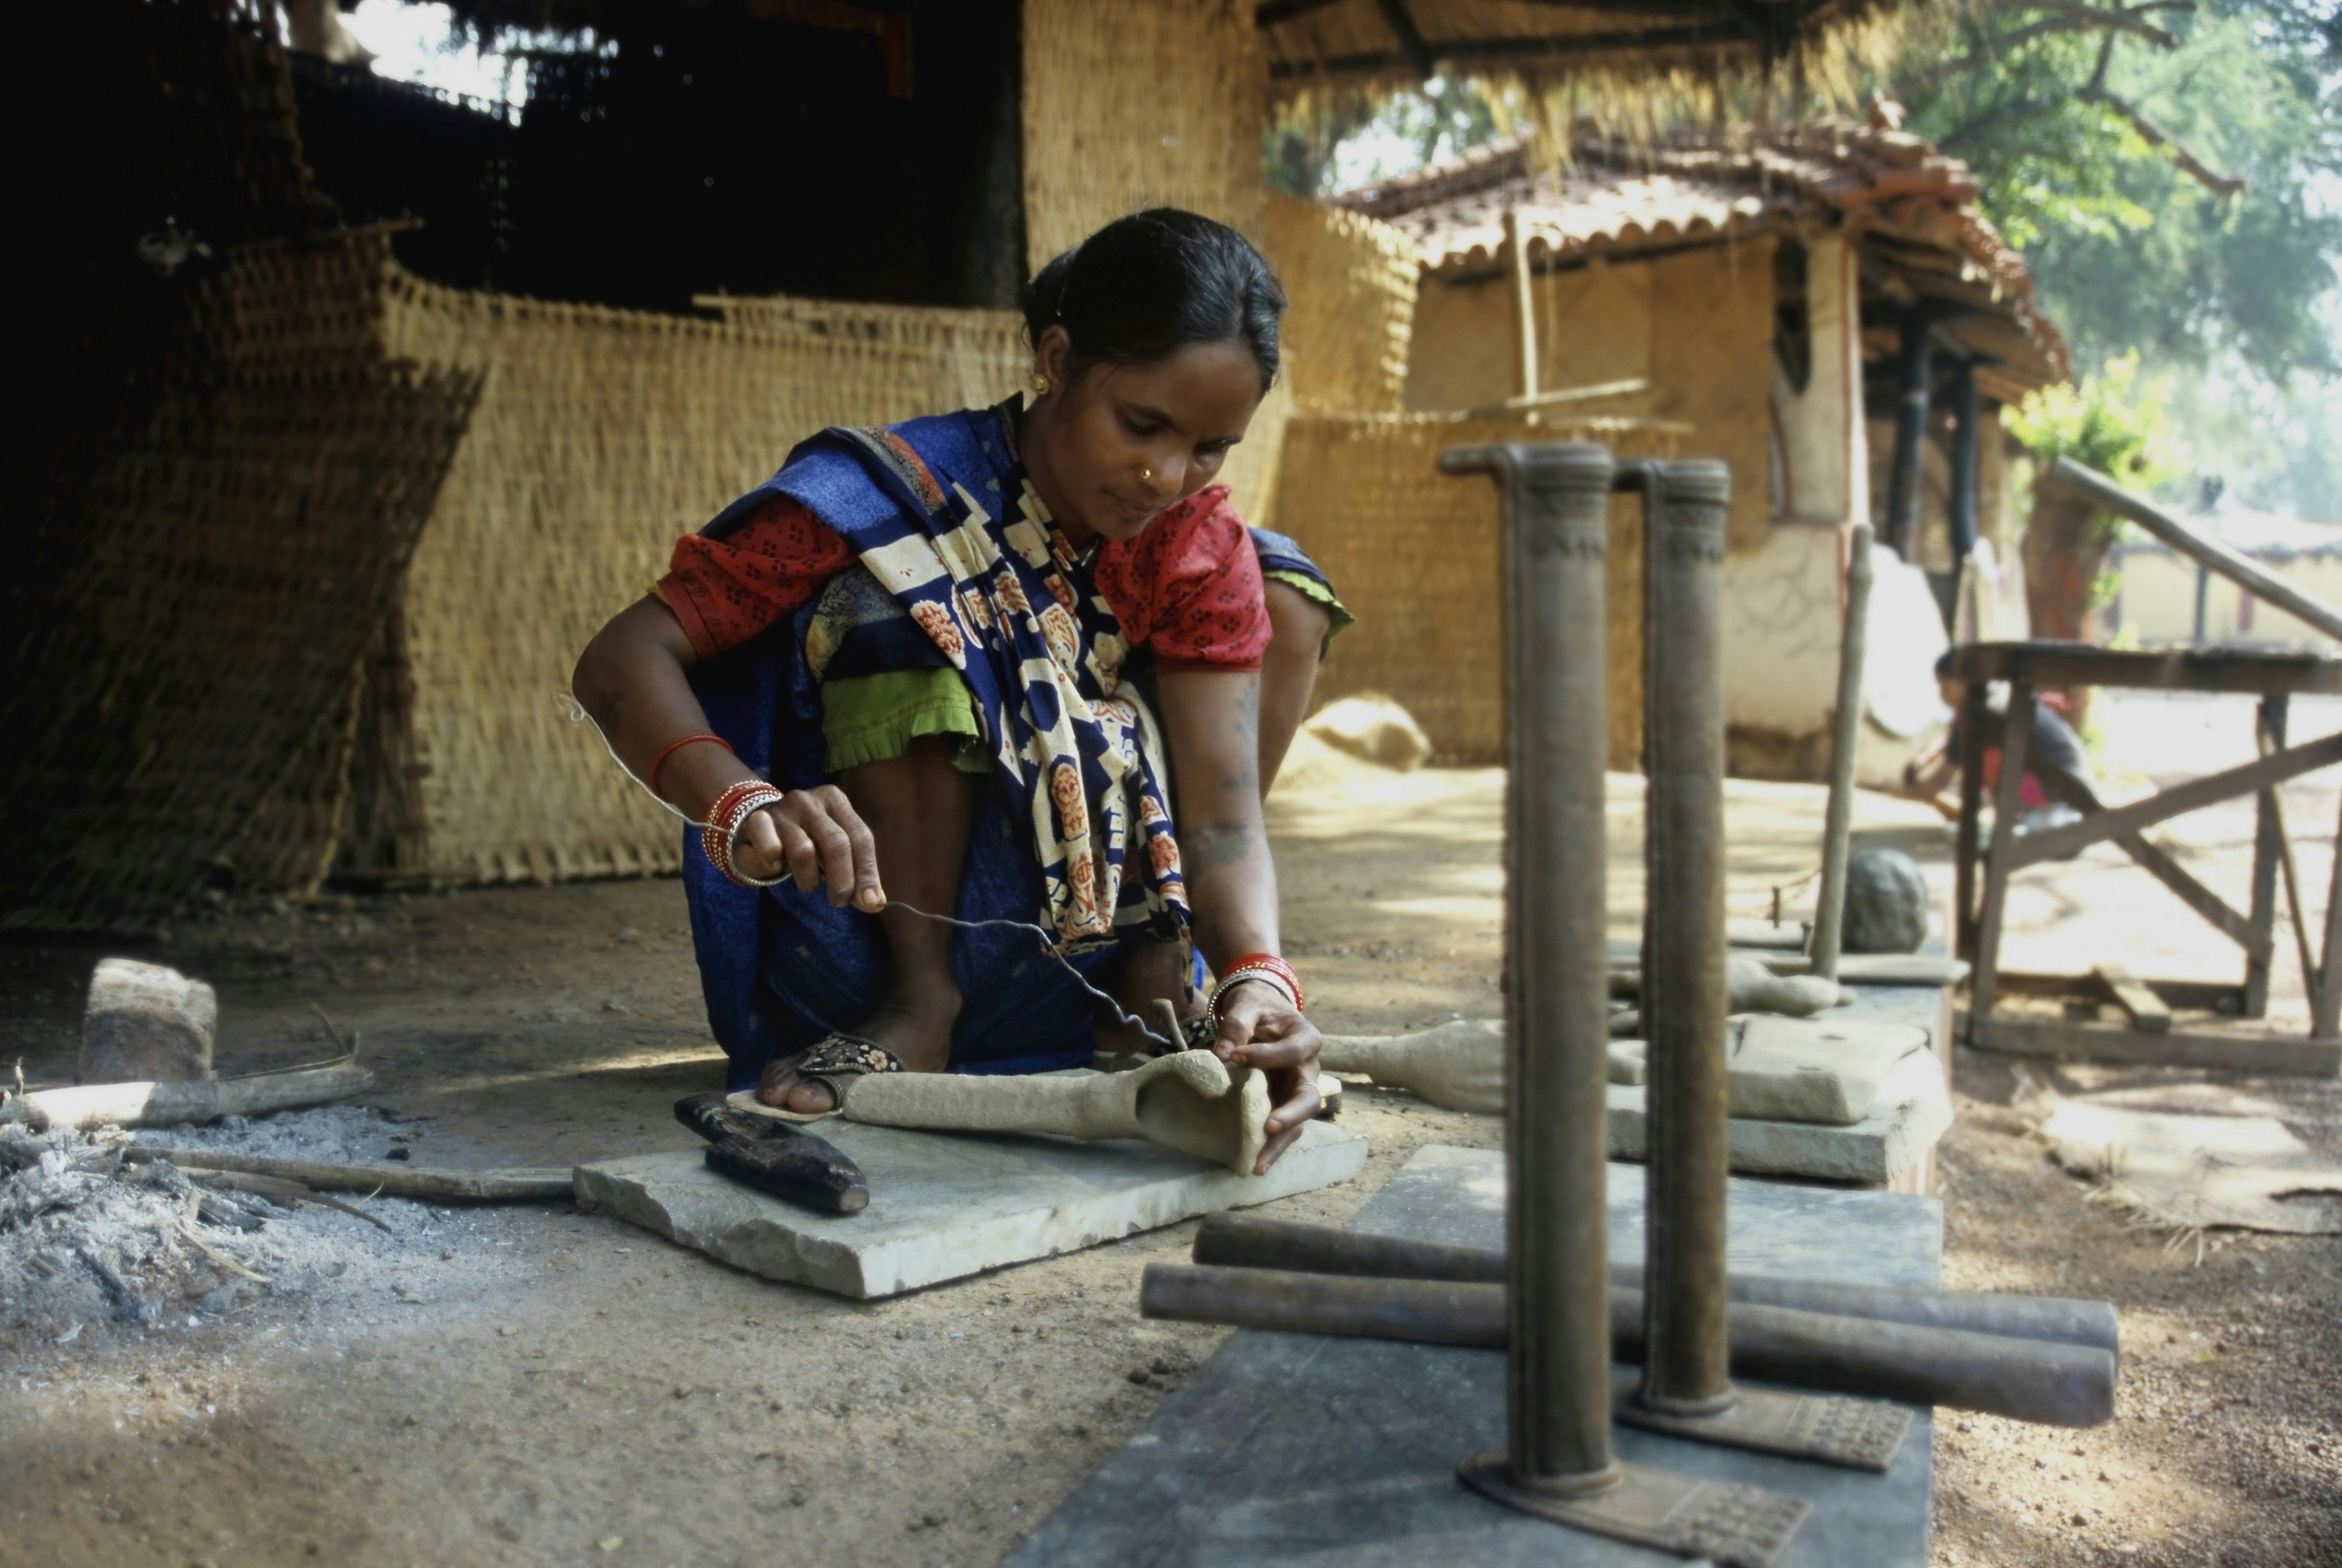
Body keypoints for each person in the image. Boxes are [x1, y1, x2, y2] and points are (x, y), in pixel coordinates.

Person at [572, 210, 1349, 1175]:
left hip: (1083, 972)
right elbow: (621, 657)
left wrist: (1257, 973)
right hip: (860, 942)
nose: (1167, 474)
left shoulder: (1189, 541)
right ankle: (922, 1002)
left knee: (1280, 576)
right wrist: (740, 800)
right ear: (1057, 359)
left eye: (1211, 446)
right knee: (894, 593)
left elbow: (1227, 822)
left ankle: (1160, 965)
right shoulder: (891, 498)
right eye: (1141, 425)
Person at [1896, 674, 2097, 828]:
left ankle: (2013, 819)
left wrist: (1898, 794)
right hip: (2076, 789)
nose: (1941, 695)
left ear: (1966, 683)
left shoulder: (1983, 716)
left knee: (1990, 763)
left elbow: (1938, 783)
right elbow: (1948, 749)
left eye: (1946, 687)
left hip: (2061, 791)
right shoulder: (2002, 699)